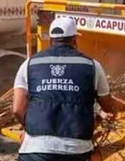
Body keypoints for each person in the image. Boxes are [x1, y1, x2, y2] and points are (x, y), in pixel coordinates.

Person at [11, 17, 115, 161]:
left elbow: (17, 108)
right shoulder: (92, 66)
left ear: (50, 41)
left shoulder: (29, 64)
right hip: (76, 150)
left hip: (35, 149)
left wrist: (29, 128)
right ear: (74, 41)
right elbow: (107, 105)